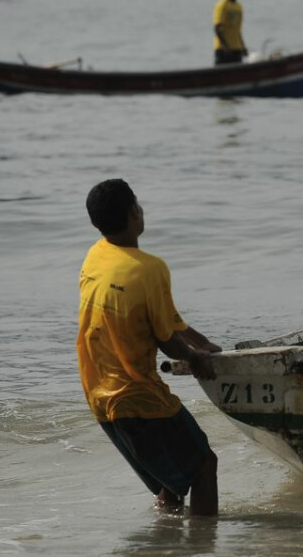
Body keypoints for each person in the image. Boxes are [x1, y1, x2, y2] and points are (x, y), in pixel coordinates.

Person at [77, 179, 223, 517]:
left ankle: (165, 541)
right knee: (203, 466)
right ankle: (202, 546)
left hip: (99, 394)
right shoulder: (149, 269)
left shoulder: (96, 257)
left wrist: (202, 343)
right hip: (137, 397)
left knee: (169, 480)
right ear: (133, 213)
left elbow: (165, 320)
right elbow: (167, 341)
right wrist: (194, 357)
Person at [213, 0, 247, 65]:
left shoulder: (238, 7)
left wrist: (243, 46)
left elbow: (237, 30)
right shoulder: (222, 5)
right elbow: (217, 28)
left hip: (236, 48)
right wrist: (225, 46)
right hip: (224, 50)